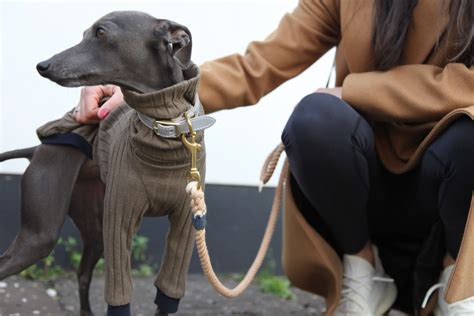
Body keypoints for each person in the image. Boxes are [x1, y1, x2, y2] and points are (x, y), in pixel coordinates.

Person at [73, 0, 473, 315]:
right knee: (315, 119)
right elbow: (258, 66)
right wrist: (144, 91)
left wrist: (355, 90)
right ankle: (364, 275)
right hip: (363, 180)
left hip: (452, 183)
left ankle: (459, 286)